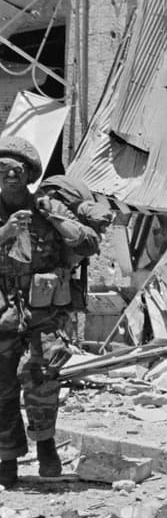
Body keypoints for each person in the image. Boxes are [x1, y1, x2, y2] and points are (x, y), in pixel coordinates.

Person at [0, 137, 106, 487]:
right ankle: (7, 457)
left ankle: (45, 443)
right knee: (2, 387)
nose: (9, 175)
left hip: (44, 310)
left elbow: (89, 244)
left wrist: (58, 222)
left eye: (17, 169)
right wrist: (5, 233)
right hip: (3, 312)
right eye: (2, 169)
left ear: (29, 174)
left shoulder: (47, 207)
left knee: (43, 375)